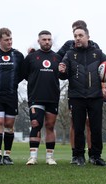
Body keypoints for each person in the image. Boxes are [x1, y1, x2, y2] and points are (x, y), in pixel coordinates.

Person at [59, 26, 106, 166]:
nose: (78, 38)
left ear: (88, 36)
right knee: (78, 128)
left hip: (95, 96)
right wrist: (62, 71)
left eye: (80, 35)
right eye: (75, 36)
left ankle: (96, 156)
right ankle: (78, 156)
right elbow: (63, 75)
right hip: (76, 96)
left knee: (96, 128)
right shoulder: (69, 54)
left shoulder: (97, 53)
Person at [0, 28, 24, 165]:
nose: (9, 42)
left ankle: (7, 155)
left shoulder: (18, 55)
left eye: (10, 39)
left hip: (11, 95)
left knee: (8, 125)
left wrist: (13, 83)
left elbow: (23, 73)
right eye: (6, 40)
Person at [22, 30, 62, 165]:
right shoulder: (31, 57)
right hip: (36, 97)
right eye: (44, 39)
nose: (47, 42)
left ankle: (49, 157)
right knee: (35, 124)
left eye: (49, 39)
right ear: (39, 41)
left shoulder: (57, 58)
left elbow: (62, 75)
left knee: (50, 126)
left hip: (52, 97)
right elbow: (25, 74)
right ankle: (33, 157)